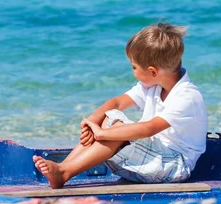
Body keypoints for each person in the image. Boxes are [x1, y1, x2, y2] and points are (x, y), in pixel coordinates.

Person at [33, 22, 208, 189]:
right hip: (153, 159)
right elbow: (117, 103)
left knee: (115, 127)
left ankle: (64, 172)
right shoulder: (153, 86)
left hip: (173, 166)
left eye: (134, 67)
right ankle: (63, 168)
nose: (133, 73)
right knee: (109, 117)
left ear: (153, 71)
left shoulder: (187, 96)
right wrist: (93, 120)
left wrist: (103, 133)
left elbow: (149, 128)